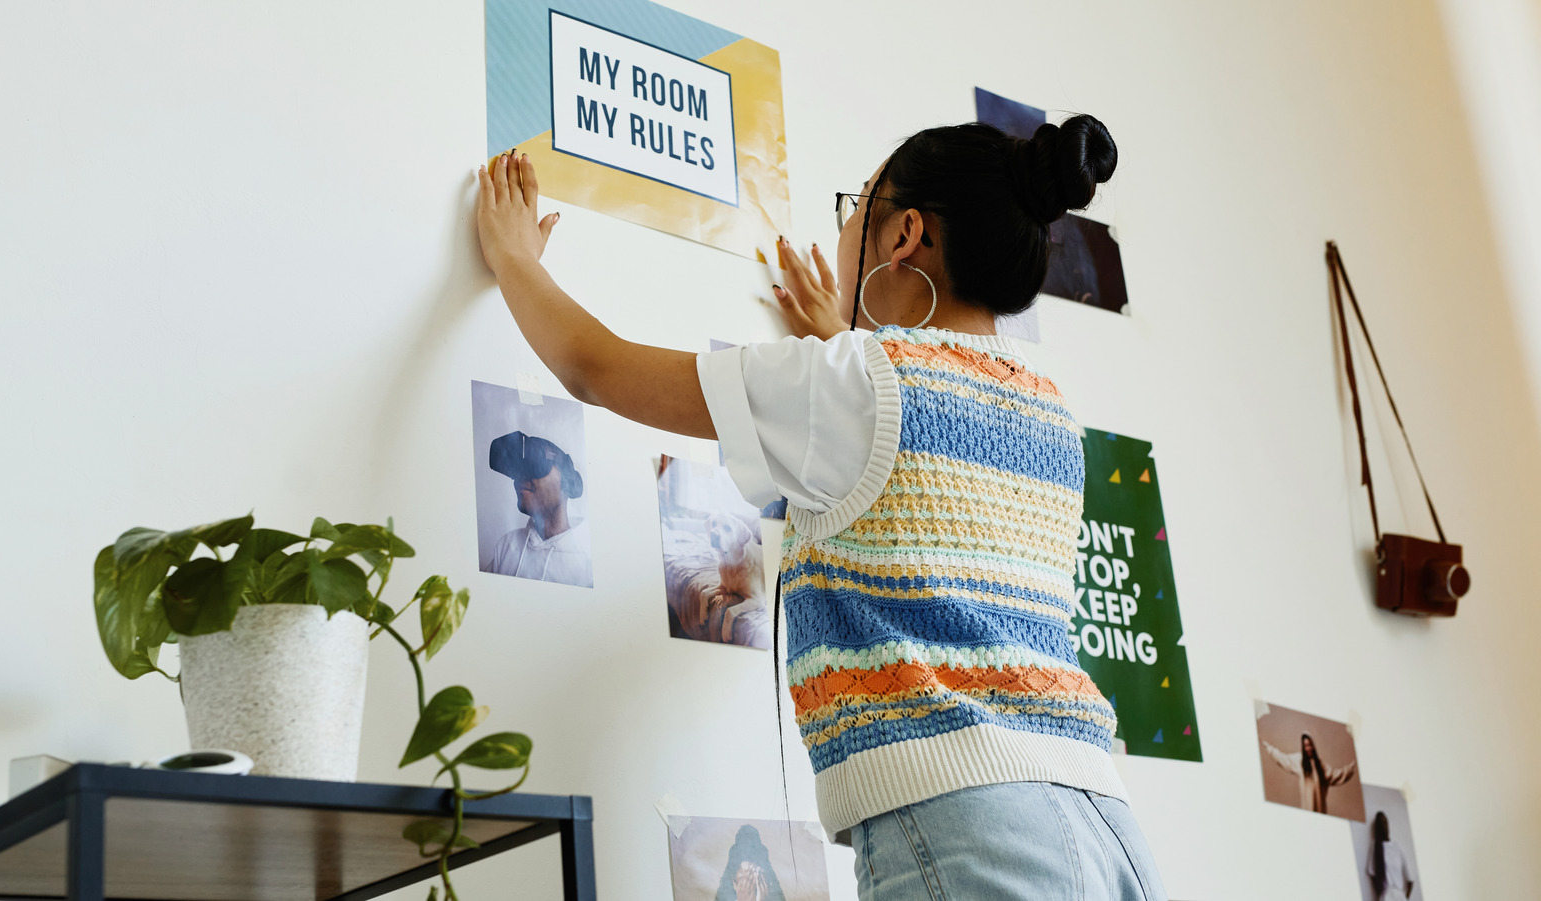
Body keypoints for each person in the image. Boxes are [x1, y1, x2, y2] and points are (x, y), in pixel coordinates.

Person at [474, 112, 1166, 899]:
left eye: (854, 207)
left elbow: (594, 367)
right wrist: (838, 336)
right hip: (1109, 830)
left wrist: (510, 252)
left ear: (905, 233)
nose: (840, 235)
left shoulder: (854, 382)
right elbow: (920, 487)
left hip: (971, 829)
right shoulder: (1049, 414)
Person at [482, 430, 592, 587]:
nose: (521, 476)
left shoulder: (588, 560)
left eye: (536, 465)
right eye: (517, 469)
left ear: (566, 481)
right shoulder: (507, 545)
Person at [1262, 732, 1358, 814]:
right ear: (1303, 747)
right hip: (1307, 809)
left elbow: (1335, 775)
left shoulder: (1320, 765)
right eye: (1306, 746)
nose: (1308, 748)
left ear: (1314, 746)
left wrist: (1349, 769)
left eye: (1310, 745)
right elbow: (1284, 759)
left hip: (1320, 809)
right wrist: (1270, 749)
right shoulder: (1300, 761)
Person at [1366, 811, 1417, 900]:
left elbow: (1410, 879)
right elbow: (1372, 872)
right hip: (1385, 895)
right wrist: (1380, 892)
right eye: (1381, 824)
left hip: (1399, 895)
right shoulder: (1375, 847)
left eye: (1385, 822)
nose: (1384, 826)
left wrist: (1405, 897)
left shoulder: (1397, 847)